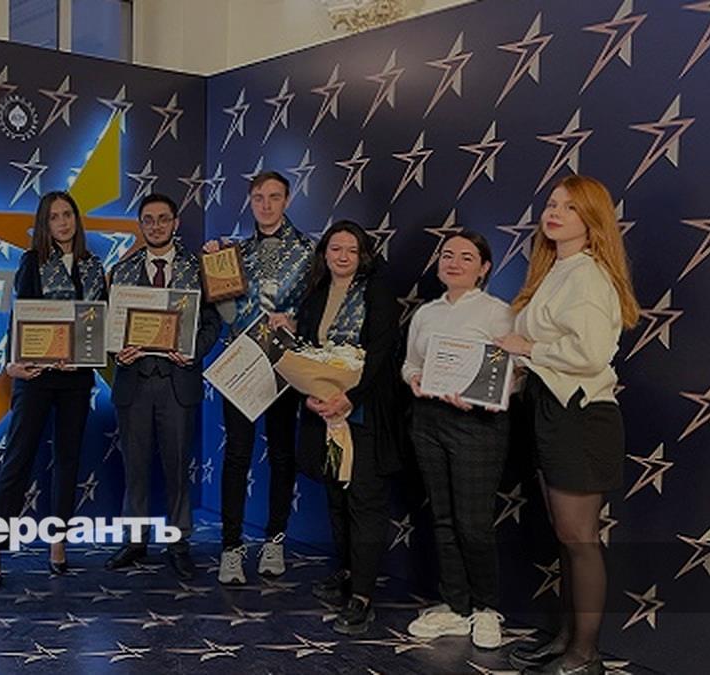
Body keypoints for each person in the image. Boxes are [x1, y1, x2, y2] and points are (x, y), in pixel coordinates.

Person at [495, 175, 640, 675]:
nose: (555, 213)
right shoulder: (555, 269)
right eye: (552, 203)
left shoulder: (589, 275)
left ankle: (586, 655)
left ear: (592, 219)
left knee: (579, 538)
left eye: (570, 207)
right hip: (549, 411)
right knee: (565, 535)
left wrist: (528, 348)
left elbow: (590, 354)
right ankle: (567, 638)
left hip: (580, 417)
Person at [0, 191, 107, 589]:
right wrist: (11, 362)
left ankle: (58, 543)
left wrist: (86, 355)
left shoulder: (94, 265)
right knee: (17, 459)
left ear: (76, 219)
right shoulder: (32, 261)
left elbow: (100, 323)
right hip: (35, 375)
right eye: (54, 217)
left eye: (68, 214)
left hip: (76, 379)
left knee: (68, 460)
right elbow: (19, 316)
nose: (63, 222)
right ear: (44, 223)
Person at [400, 230, 513, 649]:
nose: (454, 263)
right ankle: (456, 605)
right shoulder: (426, 313)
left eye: (466, 257)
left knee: (474, 523)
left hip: (476, 424)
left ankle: (486, 608)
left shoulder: (499, 313)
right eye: (447, 255)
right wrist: (414, 378)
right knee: (443, 518)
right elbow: (410, 364)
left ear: (484, 268)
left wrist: (483, 395)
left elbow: (514, 374)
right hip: (428, 420)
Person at [103, 194, 222, 580]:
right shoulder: (121, 270)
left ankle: (179, 543)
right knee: (134, 468)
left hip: (177, 383)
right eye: (148, 220)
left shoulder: (197, 268)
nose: (156, 226)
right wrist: (116, 351)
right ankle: (134, 541)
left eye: (163, 219)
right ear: (141, 225)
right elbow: (106, 325)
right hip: (133, 383)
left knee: (177, 469)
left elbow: (213, 323)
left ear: (175, 223)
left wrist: (194, 351)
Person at [204, 171, 315, 585]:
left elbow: (319, 308)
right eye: (258, 197)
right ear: (250, 201)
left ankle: (275, 541)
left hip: (285, 363)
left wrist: (296, 320)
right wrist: (213, 267)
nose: (266, 205)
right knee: (237, 454)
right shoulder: (235, 251)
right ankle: (231, 548)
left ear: (287, 199)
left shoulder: (310, 251)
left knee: (283, 453)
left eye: (274, 197)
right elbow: (226, 313)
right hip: (242, 363)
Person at [295, 221, 401, 636]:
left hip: (362, 415)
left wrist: (350, 398)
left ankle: (363, 596)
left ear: (363, 256)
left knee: (364, 502)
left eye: (351, 250)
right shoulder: (315, 295)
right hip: (325, 414)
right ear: (324, 253)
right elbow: (304, 351)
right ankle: (346, 572)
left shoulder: (377, 293)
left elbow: (381, 354)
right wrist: (308, 394)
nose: (342, 256)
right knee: (337, 498)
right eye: (335, 248)